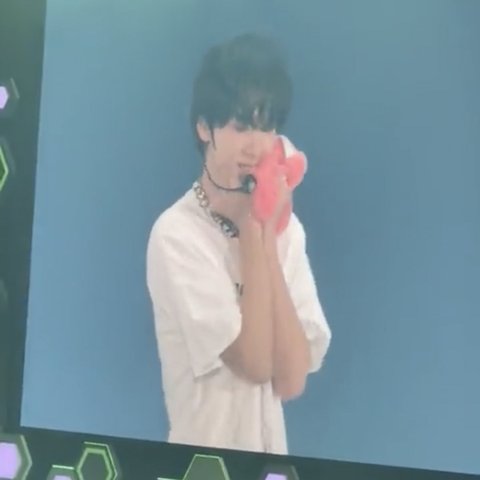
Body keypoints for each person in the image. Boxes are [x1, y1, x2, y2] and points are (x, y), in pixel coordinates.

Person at [146, 33, 331, 455]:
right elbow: (255, 363)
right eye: (240, 126)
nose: (257, 146)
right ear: (204, 127)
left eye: (267, 127)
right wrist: (253, 232)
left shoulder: (286, 231)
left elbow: (291, 379)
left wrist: (266, 235)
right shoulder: (177, 235)